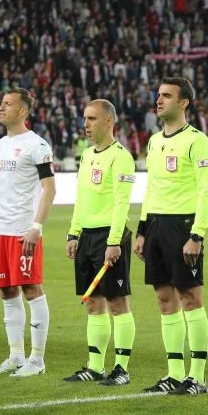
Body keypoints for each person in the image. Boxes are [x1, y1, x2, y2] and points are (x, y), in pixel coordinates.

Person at [133, 77, 208, 395]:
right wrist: (142, 230)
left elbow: (206, 191)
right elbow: (151, 187)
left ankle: (198, 377)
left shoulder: (198, 141)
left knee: (190, 299)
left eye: (166, 95)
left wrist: (197, 235)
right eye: (158, 95)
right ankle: (174, 374)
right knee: (164, 300)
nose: (159, 100)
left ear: (183, 103)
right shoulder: (154, 141)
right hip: (155, 225)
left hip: (183, 227)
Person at [64, 100, 136, 386]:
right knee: (93, 303)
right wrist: (74, 233)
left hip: (110, 237)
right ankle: (95, 367)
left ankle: (122, 369)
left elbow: (121, 202)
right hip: (87, 237)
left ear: (109, 121)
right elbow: (81, 198)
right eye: (85, 118)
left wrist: (114, 241)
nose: (86, 124)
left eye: (92, 118)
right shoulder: (86, 155)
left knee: (117, 303)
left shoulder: (121, 157)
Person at [0, 89, 56, 378]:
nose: (1, 108)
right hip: (0, 231)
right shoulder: (0, 144)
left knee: (31, 289)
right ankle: (15, 356)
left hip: (22, 231)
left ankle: (37, 360)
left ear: (23, 111)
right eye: (1, 103)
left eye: (8, 104)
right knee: (6, 291)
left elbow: (50, 189)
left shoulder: (37, 145)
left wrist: (36, 228)